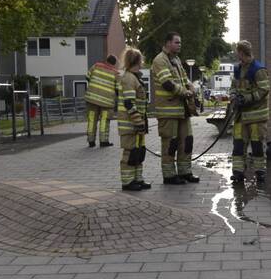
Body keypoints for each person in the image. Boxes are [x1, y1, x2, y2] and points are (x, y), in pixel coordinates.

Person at [151, 32, 199, 185]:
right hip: (168, 111)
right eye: (177, 42)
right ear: (168, 43)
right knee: (170, 144)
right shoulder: (160, 60)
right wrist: (186, 92)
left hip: (182, 110)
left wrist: (191, 87)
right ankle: (169, 175)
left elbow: (184, 79)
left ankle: (185, 172)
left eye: (180, 42)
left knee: (187, 141)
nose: (180, 45)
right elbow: (167, 83)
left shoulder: (177, 60)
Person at [230, 40, 270, 184]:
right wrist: (234, 96)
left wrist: (246, 98)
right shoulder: (237, 69)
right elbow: (233, 86)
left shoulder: (258, 70)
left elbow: (264, 90)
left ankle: (260, 173)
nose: (237, 55)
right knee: (239, 145)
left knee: (257, 145)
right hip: (241, 116)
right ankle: (238, 173)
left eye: (238, 52)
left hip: (256, 117)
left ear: (242, 53)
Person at [117, 48, 151, 191]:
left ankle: (138, 178)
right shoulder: (129, 78)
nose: (142, 62)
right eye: (141, 60)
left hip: (137, 124)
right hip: (130, 125)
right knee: (130, 153)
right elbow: (129, 103)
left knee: (139, 152)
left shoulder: (134, 77)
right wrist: (138, 121)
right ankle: (127, 181)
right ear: (136, 61)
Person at [84, 53, 119, 148]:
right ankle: (103, 141)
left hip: (92, 99)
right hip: (106, 102)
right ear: (114, 63)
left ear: (106, 60)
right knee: (104, 120)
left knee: (91, 119)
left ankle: (91, 141)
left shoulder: (96, 66)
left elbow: (87, 77)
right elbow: (118, 88)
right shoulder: (116, 73)